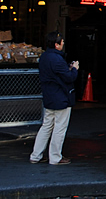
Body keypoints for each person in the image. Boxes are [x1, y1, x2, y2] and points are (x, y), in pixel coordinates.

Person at [29, 31, 78, 165]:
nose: (63, 44)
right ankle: (55, 157)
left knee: (46, 126)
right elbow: (69, 78)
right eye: (61, 42)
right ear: (56, 45)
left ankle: (36, 155)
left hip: (49, 96)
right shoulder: (57, 59)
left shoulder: (44, 57)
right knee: (59, 128)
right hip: (61, 96)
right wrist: (74, 69)